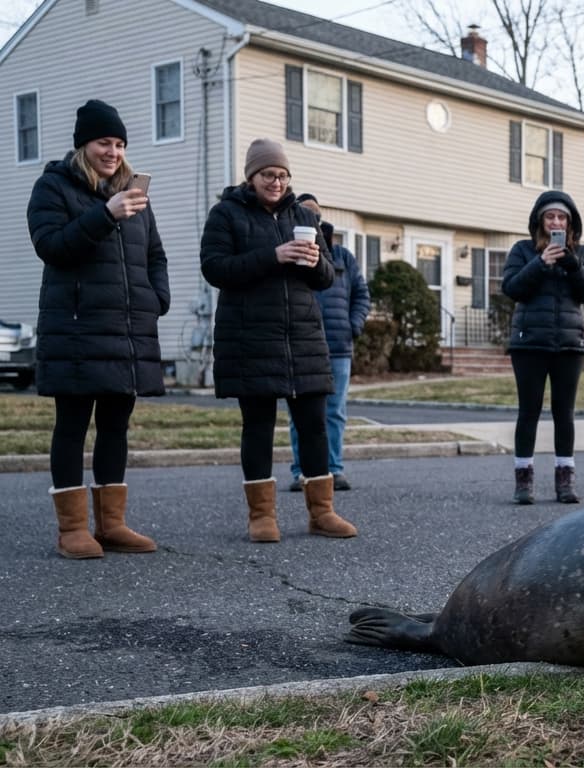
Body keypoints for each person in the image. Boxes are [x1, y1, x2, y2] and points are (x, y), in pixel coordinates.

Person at [26, 99, 169, 559]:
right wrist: (105, 213)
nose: (113, 151)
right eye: (105, 142)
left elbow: (156, 256)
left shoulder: (135, 195)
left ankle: (112, 524)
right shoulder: (53, 186)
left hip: (125, 329)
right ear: (84, 145)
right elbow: (51, 246)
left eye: (120, 143)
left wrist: (155, 299)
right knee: (71, 425)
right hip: (75, 328)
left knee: (115, 426)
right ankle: (72, 529)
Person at [199, 139, 357, 542]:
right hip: (251, 336)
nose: (276, 182)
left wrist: (313, 261)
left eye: (283, 175)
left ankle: (322, 512)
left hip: (303, 336)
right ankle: (261, 517)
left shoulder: (302, 214)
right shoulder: (226, 214)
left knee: (315, 426)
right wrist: (274, 255)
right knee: (258, 426)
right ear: (251, 176)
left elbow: (326, 276)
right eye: (269, 174)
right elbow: (215, 268)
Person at [501, 190, 584, 504]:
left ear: (570, 223)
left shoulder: (582, 254)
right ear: (540, 221)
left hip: (570, 346)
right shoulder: (522, 250)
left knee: (564, 413)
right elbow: (512, 288)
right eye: (550, 216)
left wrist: (574, 266)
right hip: (529, 344)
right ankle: (523, 482)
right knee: (528, 412)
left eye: (561, 217)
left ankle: (565, 482)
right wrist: (540, 264)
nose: (555, 221)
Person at [285, 193, 370, 493]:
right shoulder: (292, 252)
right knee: (300, 415)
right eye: (305, 213)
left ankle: (334, 469)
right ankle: (301, 472)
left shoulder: (342, 256)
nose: (313, 218)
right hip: (300, 345)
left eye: (316, 213)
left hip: (338, 345)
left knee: (334, 411)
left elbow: (361, 294)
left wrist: (353, 325)